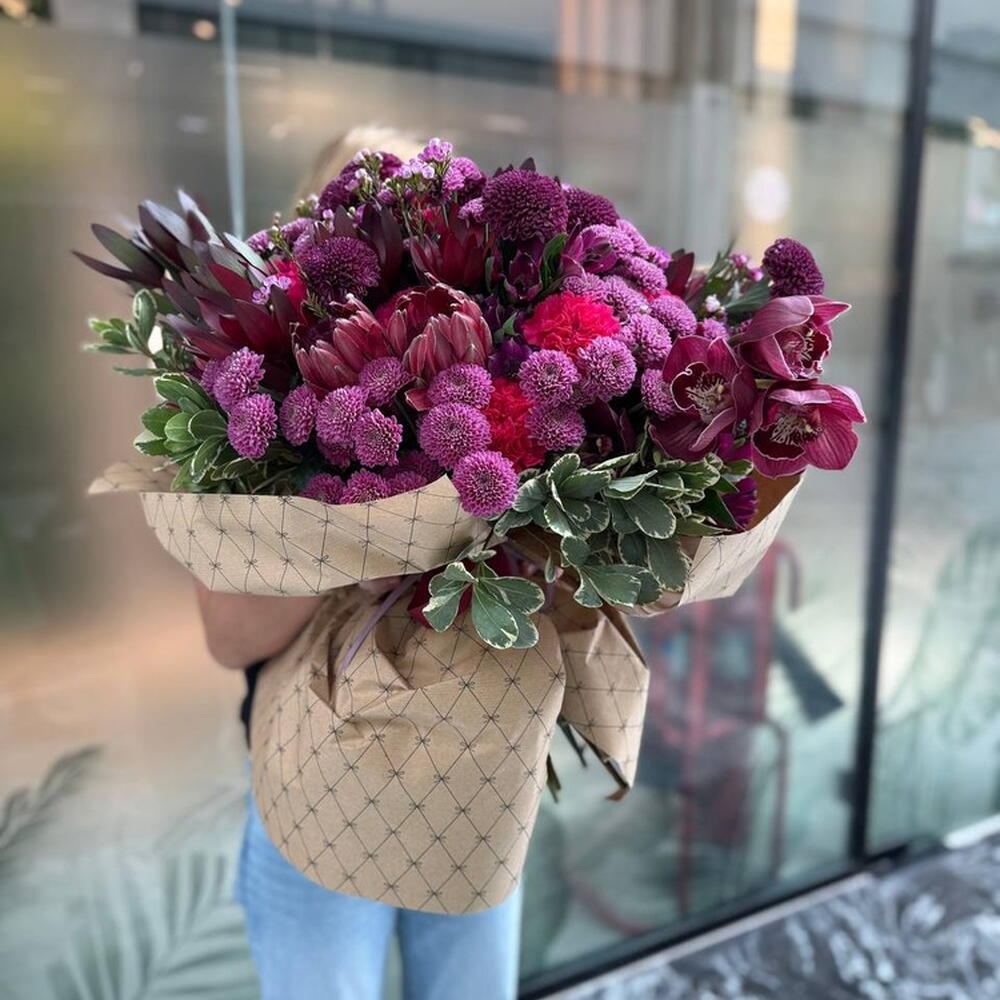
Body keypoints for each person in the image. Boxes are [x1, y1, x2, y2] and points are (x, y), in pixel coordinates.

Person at [193, 128, 523, 1000]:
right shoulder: (254, 392)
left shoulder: (498, 384)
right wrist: (360, 543)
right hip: (313, 781)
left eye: (417, 219)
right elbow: (229, 635)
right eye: (366, 219)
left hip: (469, 767)